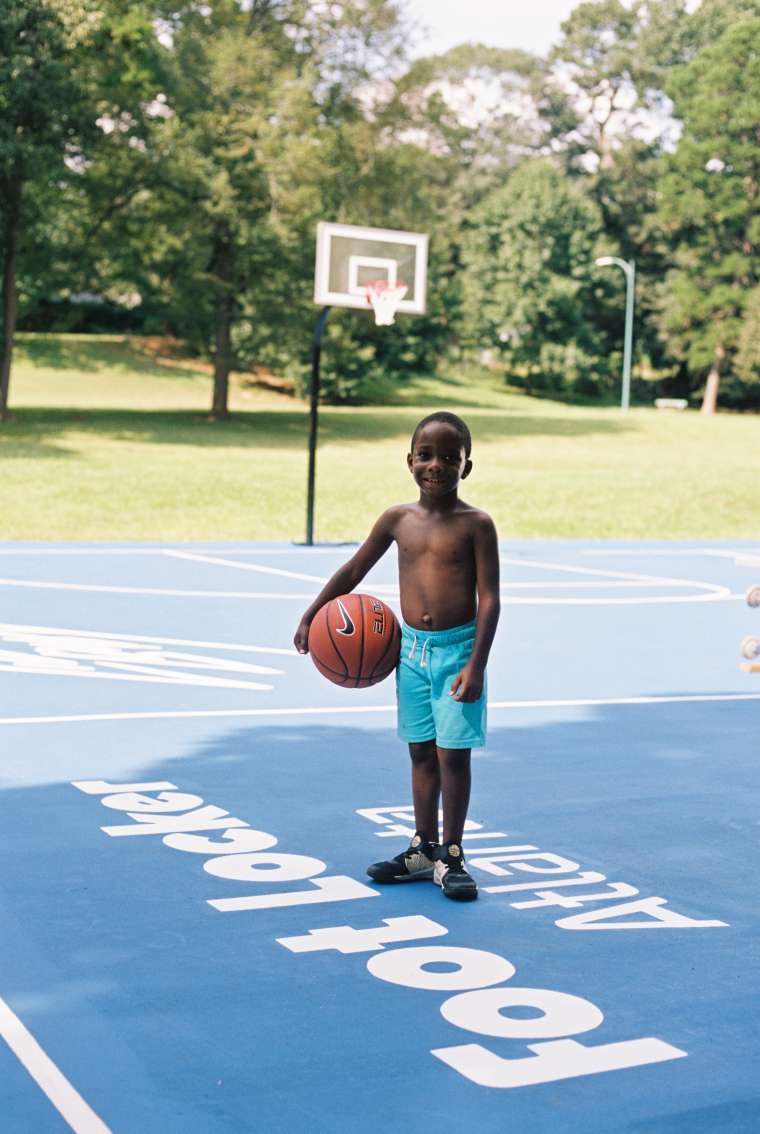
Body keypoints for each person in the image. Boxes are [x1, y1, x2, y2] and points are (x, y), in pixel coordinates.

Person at [294, 411, 500, 901]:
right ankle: (423, 848)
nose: (437, 465)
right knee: (420, 752)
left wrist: (476, 665)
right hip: (410, 653)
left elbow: (489, 598)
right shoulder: (396, 520)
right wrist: (311, 614)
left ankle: (452, 854)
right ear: (409, 461)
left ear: (467, 466)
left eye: (450, 457)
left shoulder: (477, 525)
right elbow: (354, 570)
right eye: (426, 455)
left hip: (457, 655)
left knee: (454, 757)